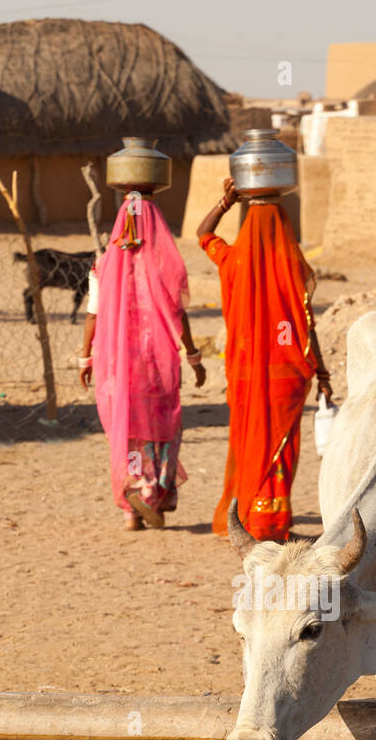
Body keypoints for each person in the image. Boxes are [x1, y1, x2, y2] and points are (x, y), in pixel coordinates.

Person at [197, 178, 331, 542]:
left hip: (243, 375)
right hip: (286, 376)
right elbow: (306, 324)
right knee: (279, 448)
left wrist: (226, 202)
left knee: (247, 440)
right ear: (284, 224)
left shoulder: (233, 260)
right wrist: (322, 372)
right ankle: (271, 521)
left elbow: (203, 234)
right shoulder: (291, 264)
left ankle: (245, 516)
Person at [80, 189, 206, 531]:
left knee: (128, 430)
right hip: (157, 364)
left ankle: (131, 506)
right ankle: (156, 499)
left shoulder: (102, 266)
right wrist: (194, 356)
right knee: (158, 431)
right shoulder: (164, 266)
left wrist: (85, 358)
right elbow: (179, 315)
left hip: (117, 367)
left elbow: (93, 316)